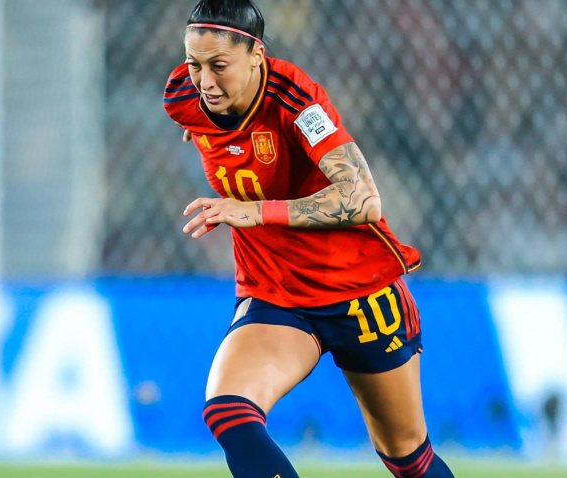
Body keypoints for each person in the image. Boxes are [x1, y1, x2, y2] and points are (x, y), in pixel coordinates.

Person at [163, 1, 455, 477]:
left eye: (219, 66)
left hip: (359, 293)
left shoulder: (296, 101)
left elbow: (363, 200)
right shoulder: (187, 97)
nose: (205, 82)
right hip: (276, 293)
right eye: (195, 65)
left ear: (256, 54)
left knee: (407, 457)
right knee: (227, 410)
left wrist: (254, 212)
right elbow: (203, 118)